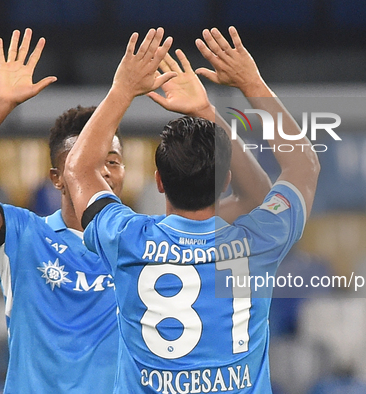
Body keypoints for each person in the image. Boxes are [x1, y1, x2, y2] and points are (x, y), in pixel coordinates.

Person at [0, 28, 270, 393]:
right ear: (58, 178)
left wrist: (204, 111)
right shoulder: (23, 235)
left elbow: (257, 202)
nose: (105, 171)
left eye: (115, 161)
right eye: (91, 161)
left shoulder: (148, 240)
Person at [64, 26, 320, 394]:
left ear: (159, 182)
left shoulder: (126, 238)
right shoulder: (260, 240)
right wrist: (249, 84)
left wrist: (123, 90)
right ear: (227, 180)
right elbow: (303, 166)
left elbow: (78, 168)